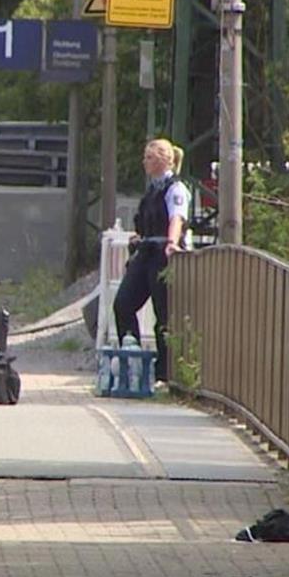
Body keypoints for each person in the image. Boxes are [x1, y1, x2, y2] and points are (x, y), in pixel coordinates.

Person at [112, 138, 191, 389]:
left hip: (161, 255)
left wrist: (172, 242)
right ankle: (131, 352)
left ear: (164, 159)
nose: (144, 162)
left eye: (149, 157)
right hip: (145, 252)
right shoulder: (152, 190)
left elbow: (176, 218)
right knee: (123, 304)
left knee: (163, 313)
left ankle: (164, 375)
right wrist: (139, 235)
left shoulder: (175, 189)